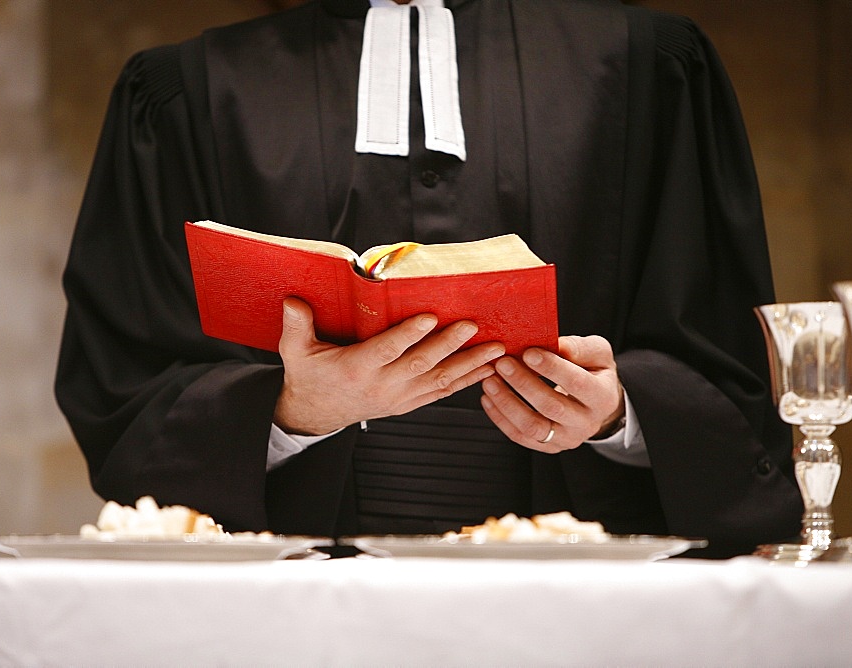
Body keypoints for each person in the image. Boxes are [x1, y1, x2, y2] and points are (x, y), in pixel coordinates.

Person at [55, 0, 803, 557]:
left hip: (582, 602)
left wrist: (618, 413)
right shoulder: (189, 91)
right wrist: (289, 410)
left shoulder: (650, 68)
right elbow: (123, 393)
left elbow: (735, 376)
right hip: (286, 615)